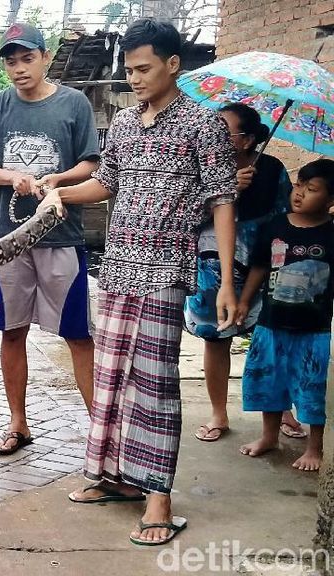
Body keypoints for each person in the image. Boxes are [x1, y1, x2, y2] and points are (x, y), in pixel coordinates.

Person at [39, 19, 239, 546]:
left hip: (165, 273)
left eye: (144, 68)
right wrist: (60, 192)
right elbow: (105, 184)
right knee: (111, 379)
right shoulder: (126, 123)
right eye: (129, 70)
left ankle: (158, 499)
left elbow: (222, 201)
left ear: (173, 64)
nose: (135, 78)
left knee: (155, 385)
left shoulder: (203, 125)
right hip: (118, 270)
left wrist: (225, 282)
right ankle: (116, 479)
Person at [0, 22, 100, 455]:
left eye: (27, 58)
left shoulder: (74, 103)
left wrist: (58, 179)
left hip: (62, 237)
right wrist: (12, 176)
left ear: (45, 57)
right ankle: (18, 424)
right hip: (9, 241)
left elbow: (91, 164)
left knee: (77, 334)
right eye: (11, 61)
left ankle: (100, 431)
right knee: (11, 331)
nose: (19, 68)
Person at [183, 103, 300, 442]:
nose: (213, 136)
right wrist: (228, 190)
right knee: (215, 339)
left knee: (271, 341)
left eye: (224, 131)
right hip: (211, 271)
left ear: (247, 140)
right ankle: (218, 413)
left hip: (262, 267)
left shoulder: (272, 169)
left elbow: (284, 221)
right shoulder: (198, 166)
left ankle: (281, 410)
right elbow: (183, 216)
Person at [236, 159, 334, 471]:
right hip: (271, 323)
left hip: (315, 330)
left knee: (313, 385)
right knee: (270, 381)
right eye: (298, 185)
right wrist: (244, 302)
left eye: (312, 189)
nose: (300, 193)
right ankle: (269, 437)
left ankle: (315, 447)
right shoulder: (276, 226)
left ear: (331, 200)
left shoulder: (332, 233)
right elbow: (260, 267)